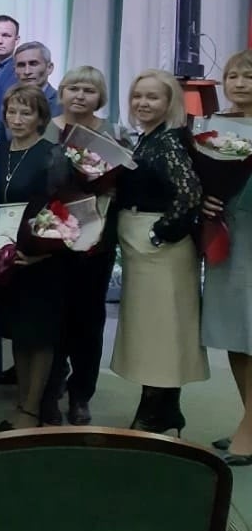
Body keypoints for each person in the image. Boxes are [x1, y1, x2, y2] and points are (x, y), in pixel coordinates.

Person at [111, 69, 206, 435]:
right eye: (138, 96)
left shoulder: (168, 141)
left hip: (161, 250)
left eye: (152, 97)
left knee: (161, 330)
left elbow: (189, 193)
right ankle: (165, 410)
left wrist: (160, 234)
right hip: (143, 247)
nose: (143, 103)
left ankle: (155, 413)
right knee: (151, 329)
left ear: (170, 102)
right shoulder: (148, 138)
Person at [42, 65, 123, 425]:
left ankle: (81, 395)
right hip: (50, 236)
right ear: (61, 92)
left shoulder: (112, 133)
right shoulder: (45, 128)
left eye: (89, 90)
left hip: (95, 241)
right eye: (73, 88)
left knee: (88, 320)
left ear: (100, 97)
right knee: (53, 316)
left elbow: (122, 183)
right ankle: (50, 388)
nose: (79, 95)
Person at [0, 84, 70, 431]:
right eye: (12, 111)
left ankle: (31, 409)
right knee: (19, 334)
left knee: (39, 336)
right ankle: (23, 402)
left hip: (43, 260)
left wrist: (41, 254)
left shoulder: (52, 154)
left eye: (26, 112)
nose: (17, 119)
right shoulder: (0, 153)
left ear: (41, 118)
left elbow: (66, 211)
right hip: (9, 257)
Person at [200, 50, 252, 463]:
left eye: (248, 76)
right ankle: (248, 422)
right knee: (234, 334)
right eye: (232, 76)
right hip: (226, 234)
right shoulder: (214, 126)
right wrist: (206, 198)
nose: (239, 83)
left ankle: (249, 434)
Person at [14, 42, 60, 119]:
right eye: (21, 65)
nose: (27, 72)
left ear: (49, 68)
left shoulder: (62, 104)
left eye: (33, 64)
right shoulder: (9, 101)